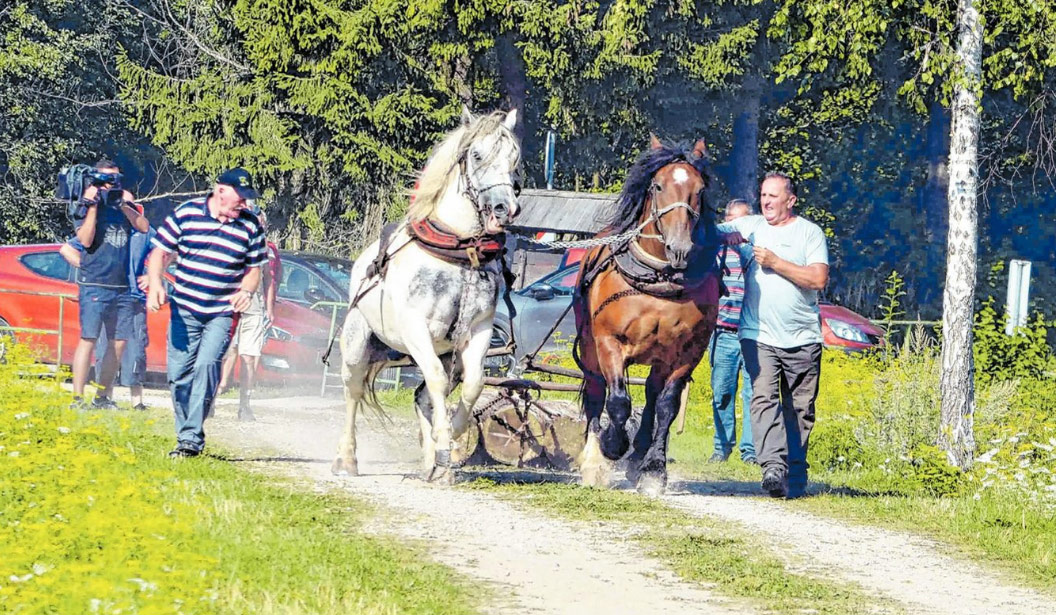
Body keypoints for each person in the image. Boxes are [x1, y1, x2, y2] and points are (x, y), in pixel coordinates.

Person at [717, 173, 829, 498]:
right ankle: (772, 468)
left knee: (799, 409)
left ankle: (795, 473)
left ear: (790, 200)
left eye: (773, 196)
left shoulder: (809, 233)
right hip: (758, 334)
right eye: (763, 195)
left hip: (803, 337)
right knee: (763, 398)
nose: (766, 201)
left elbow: (818, 279)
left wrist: (776, 263)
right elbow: (709, 232)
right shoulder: (751, 226)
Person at [148, 168, 266, 458]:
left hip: (222, 312)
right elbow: (160, 252)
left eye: (247, 198)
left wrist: (246, 291)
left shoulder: (250, 225)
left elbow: (255, 270)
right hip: (185, 307)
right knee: (179, 375)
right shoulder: (187, 213)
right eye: (240, 197)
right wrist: (156, 284)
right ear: (220, 190)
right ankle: (185, 432)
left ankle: (190, 439)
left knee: (206, 366)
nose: (244, 203)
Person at [69, 159, 149, 410]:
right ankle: (77, 399)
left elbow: (144, 227)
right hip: (94, 283)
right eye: (105, 179)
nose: (110, 184)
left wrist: (124, 204)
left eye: (115, 179)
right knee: (89, 338)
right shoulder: (85, 204)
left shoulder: (122, 203)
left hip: (121, 285)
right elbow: (85, 239)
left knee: (119, 342)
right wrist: (93, 205)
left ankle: (102, 397)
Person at [61, 225, 155, 409]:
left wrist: (153, 275)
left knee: (127, 348)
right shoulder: (103, 224)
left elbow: (166, 250)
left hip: (129, 295)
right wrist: (89, 268)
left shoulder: (143, 231)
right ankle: (79, 399)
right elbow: (67, 249)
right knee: (92, 342)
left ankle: (107, 399)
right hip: (99, 291)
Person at [216, 207, 279, 421]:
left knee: (249, 357)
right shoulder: (230, 240)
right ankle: (211, 398)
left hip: (254, 308)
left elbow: (269, 278)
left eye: (261, 223)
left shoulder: (264, 248)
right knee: (223, 353)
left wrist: (269, 309)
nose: (258, 226)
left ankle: (245, 404)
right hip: (229, 307)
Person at [708, 199, 757, 465]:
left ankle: (751, 452)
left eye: (742, 222)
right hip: (723, 332)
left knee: (754, 395)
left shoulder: (757, 251)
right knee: (722, 393)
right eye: (732, 221)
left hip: (753, 333)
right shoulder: (713, 251)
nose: (737, 228)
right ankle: (722, 447)